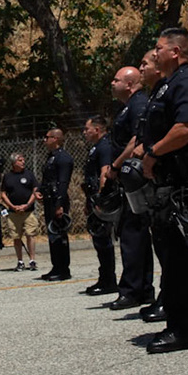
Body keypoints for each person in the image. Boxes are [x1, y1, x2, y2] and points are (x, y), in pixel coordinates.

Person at [119, 28, 188, 353]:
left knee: (181, 259)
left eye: (158, 48)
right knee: (172, 257)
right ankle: (187, 323)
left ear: (174, 51)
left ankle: (185, 327)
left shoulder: (187, 83)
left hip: (182, 184)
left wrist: (154, 153)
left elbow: (186, 128)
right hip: (164, 186)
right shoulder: (165, 87)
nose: (154, 54)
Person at [100, 67, 154, 312]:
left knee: (133, 233)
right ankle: (140, 288)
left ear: (130, 84)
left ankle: (133, 290)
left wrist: (115, 166)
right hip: (126, 178)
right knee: (134, 233)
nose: (112, 83)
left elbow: (136, 139)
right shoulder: (128, 106)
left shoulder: (138, 105)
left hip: (133, 179)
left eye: (116, 79)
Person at [78, 114, 116, 297]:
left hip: (100, 198)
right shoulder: (96, 147)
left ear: (97, 129)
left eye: (87, 129)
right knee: (98, 239)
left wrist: (101, 199)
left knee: (103, 239)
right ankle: (105, 277)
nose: (84, 132)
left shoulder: (104, 146)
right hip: (93, 197)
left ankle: (109, 280)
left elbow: (105, 172)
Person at [37, 128, 73, 282]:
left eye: (47, 137)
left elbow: (63, 183)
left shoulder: (63, 158)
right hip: (49, 199)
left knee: (59, 235)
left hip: (58, 200)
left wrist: (59, 204)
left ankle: (63, 268)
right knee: (52, 234)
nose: (44, 140)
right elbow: (47, 179)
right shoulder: (50, 157)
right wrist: (40, 191)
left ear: (56, 139)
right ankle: (56, 266)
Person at [0, 152, 39, 271]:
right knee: (16, 237)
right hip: (13, 213)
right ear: (13, 163)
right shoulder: (7, 176)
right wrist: (12, 206)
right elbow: (3, 193)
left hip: (28, 212)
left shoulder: (29, 174)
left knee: (30, 234)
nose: (23, 162)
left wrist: (27, 205)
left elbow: (35, 190)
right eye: (20, 160)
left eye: (23, 160)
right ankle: (20, 261)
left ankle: (32, 260)